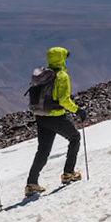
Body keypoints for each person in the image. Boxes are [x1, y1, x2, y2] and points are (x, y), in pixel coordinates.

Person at [25, 46, 84, 196]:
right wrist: (78, 110)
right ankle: (69, 173)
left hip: (41, 116)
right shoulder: (62, 76)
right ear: (61, 59)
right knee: (75, 138)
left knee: (43, 150)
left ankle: (32, 183)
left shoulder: (44, 74)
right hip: (56, 116)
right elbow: (64, 100)